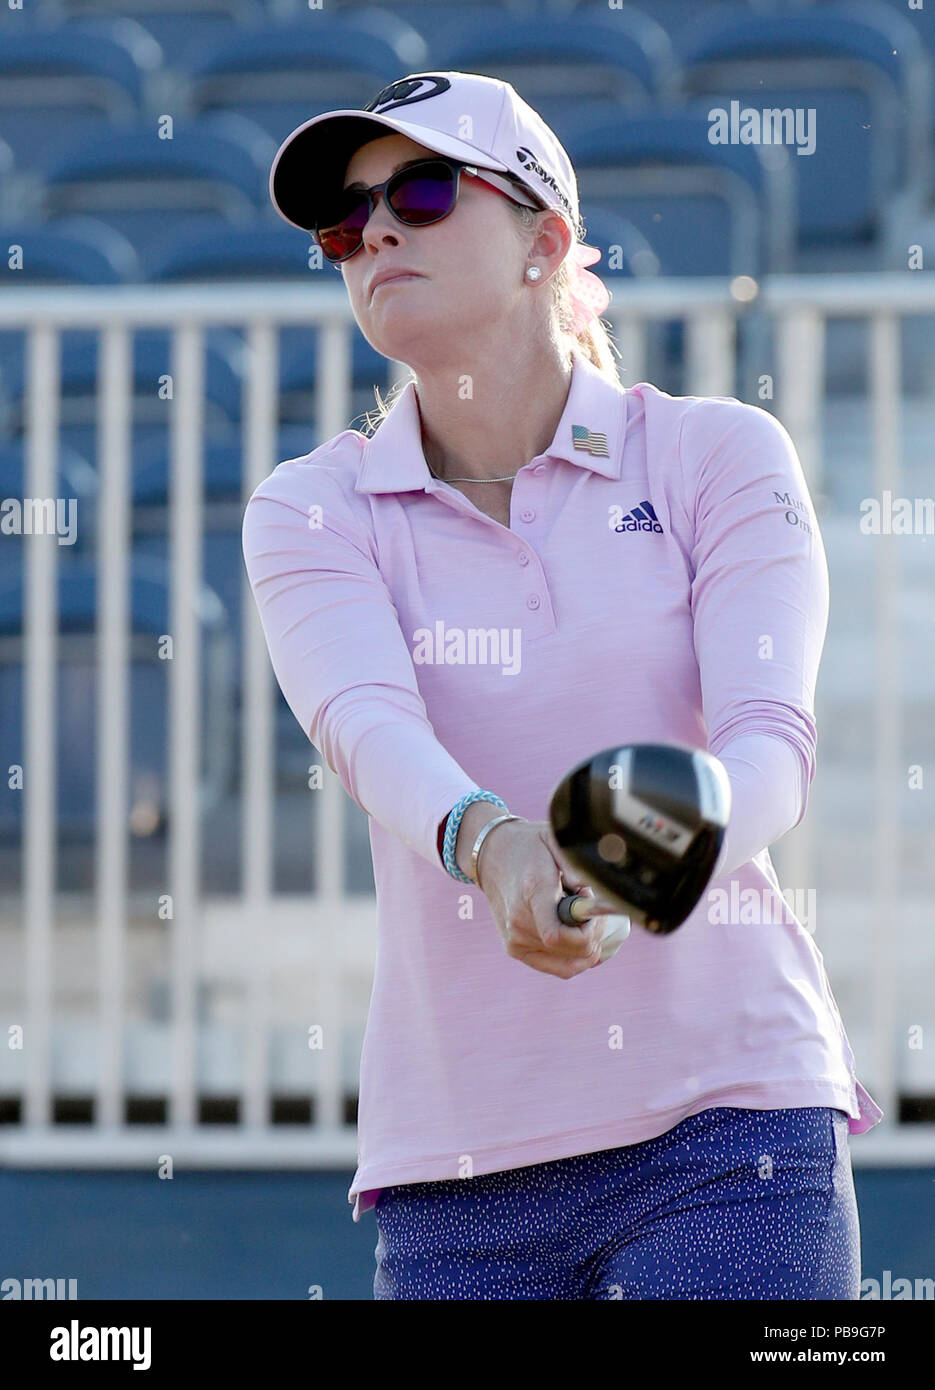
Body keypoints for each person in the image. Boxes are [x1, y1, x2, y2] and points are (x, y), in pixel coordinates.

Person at [243, 70, 883, 1301]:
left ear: (545, 239)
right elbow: (367, 727)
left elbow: (769, 748)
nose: (372, 230)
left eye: (421, 192)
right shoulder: (308, 507)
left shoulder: (715, 452)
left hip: (728, 1125)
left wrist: (648, 862)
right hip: (456, 1163)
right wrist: (495, 849)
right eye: (342, 221)